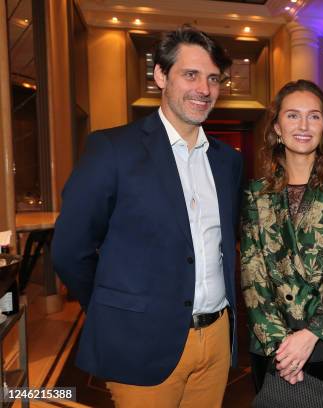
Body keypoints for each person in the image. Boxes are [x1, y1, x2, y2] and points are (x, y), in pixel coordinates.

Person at [52, 26, 243, 408]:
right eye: (190, 75)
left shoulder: (228, 162)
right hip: (139, 341)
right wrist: (113, 310)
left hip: (217, 341)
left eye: (213, 79)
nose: (203, 89)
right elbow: (70, 250)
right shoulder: (112, 149)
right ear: (160, 76)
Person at [241, 79, 323, 404]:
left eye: (314, 116)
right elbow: (253, 273)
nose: (304, 125)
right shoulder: (257, 193)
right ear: (277, 127)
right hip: (272, 347)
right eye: (293, 115)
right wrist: (284, 346)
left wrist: (310, 335)